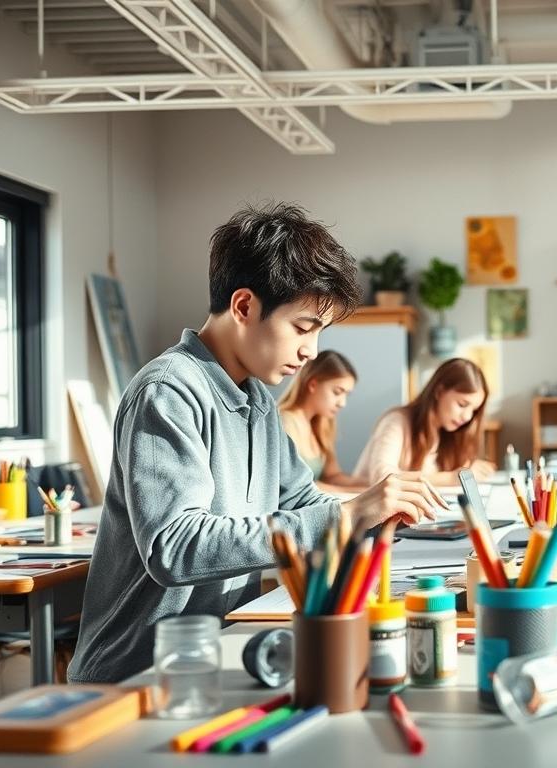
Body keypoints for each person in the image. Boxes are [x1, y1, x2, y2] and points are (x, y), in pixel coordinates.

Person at [68, 203, 446, 684]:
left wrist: (375, 515)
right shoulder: (167, 391)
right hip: (138, 674)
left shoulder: (257, 401)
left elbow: (302, 502)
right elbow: (176, 546)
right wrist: (347, 515)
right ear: (244, 307)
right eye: (303, 328)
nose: (311, 351)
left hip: (219, 656)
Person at [353, 358, 496, 488]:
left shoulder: (448, 434)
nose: (467, 417)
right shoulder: (396, 421)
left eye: (474, 410)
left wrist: (468, 469)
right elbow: (382, 478)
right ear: (439, 392)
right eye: (462, 404)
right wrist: (451, 478)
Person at [278, 349, 364, 492]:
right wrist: (362, 493)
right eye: (337, 392)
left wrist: (373, 483)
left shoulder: (321, 423)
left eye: (346, 395)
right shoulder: (285, 421)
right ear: (313, 385)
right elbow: (296, 486)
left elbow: (333, 475)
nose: (342, 403)